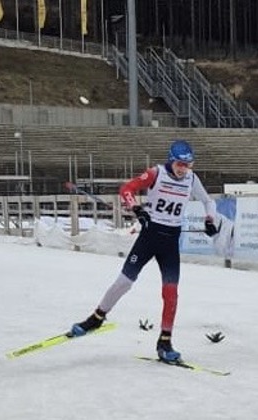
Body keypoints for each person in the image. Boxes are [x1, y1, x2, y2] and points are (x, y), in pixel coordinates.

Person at [68, 139, 219, 362]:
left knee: (171, 292)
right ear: (171, 160)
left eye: (187, 165)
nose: (183, 169)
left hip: (170, 242)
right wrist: (137, 208)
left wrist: (209, 219)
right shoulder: (156, 173)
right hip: (149, 236)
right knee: (124, 282)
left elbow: (208, 202)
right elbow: (127, 189)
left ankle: (165, 342)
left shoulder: (191, 179)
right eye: (179, 164)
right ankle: (96, 318)